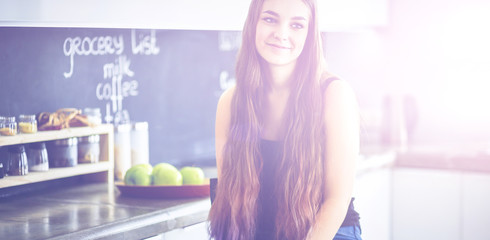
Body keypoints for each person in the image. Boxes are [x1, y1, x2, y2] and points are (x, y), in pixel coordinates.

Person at [208, 0, 361, 239]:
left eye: (297, 25)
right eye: (270, 19)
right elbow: (229, 200)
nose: (281, 34)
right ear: (253, 25)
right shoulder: (230, 102)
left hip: (327, 230)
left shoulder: (334, 94)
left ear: (310, 35)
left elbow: (336, 199)